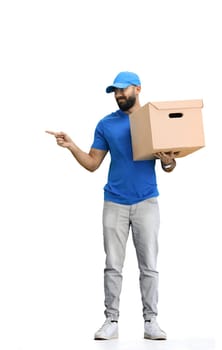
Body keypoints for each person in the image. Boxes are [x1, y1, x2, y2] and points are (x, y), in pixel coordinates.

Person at [46, 71, 176, 341]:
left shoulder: (153, 120)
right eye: (114, 91)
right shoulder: (106, 124)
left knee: (149, 265)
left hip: (147, 201)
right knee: (113, 265)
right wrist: (72, 146)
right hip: (114, 202)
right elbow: (93, 163)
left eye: (123, 90)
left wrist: (166, 160)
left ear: (138, 89)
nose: (118, 95)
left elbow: (170, 165)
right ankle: (111, 320)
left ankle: (151, 321)